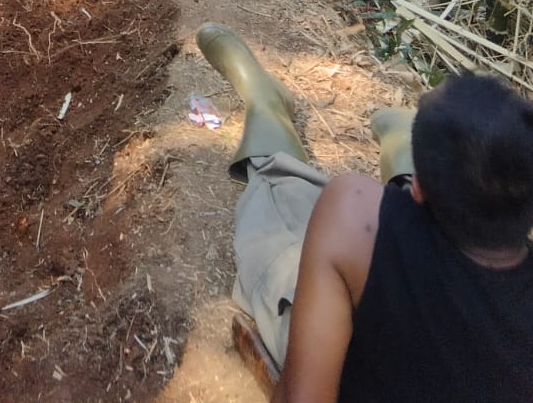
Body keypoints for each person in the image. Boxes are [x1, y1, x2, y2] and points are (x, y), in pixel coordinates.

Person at [197, 22, 533, 403]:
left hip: (346, 351)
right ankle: (401, 147)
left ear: (419, 190)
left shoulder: (355, 210)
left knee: (280, 194)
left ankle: (266, 102)